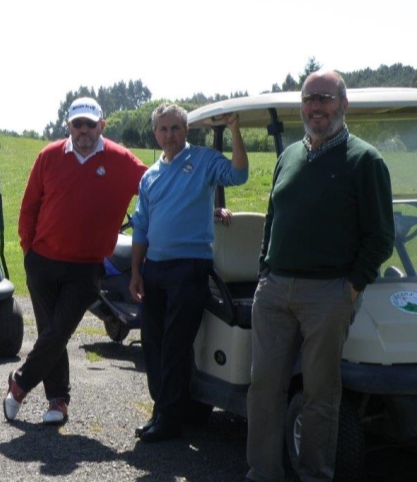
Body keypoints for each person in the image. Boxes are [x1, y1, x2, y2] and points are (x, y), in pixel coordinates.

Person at [246, 70, 394, 482]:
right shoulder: (288, 156)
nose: (316, 106)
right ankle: (262, 472)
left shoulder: (365, 160)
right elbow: (273, 218)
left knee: (320, 396)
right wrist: (264, 271)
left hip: (328, 294)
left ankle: (315, 475)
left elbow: (380, 236)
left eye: (325, 98)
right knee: (263, 389)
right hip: (275, 290)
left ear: (343, 105)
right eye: (310, 98)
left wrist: (350, 288)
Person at [4, 97, 148, 425]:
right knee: (49, 331)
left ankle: (20, 383)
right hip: (42, 261)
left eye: (90, 124)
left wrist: (204, 204)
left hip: (86, 265)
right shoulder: (49, 156)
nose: (84, 130)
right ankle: (58, 401)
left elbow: (157, 186)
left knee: (59, 331)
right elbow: (29, 208)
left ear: (102, 125)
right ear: (68, 126)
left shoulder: (121, 159)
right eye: (77, 124)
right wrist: (28, 251)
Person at [129, 102, 248, 443]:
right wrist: (136, 271)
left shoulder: (204, 161)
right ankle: (163, 409)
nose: (169, 135)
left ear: (186, 130)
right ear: (155, 133)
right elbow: (141, 227)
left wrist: (236, 130)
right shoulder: (149, 176)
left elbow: (239, 174)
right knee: (152, 342)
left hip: (189, 267)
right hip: (155, 269)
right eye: (163, 129)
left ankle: (169, 417)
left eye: (176, 128)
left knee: (176, 345)